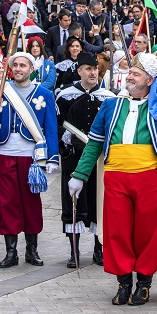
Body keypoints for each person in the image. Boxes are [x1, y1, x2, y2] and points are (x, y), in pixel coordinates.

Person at [67, 52, 157, 305]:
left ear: (149, 80)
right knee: (118, 232)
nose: (130, 77)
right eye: (130, 73)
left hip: (149, 176)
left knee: (147, 233)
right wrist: (79, 175)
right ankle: (123, 283)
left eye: (136, 74)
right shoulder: (110, 105)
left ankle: (144, 284)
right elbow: (94, 144)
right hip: (116, 177)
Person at [0, 52, 59, 268]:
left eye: (22, 65)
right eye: (14, 65)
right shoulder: (0, 93)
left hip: (31, 158)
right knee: (7, 204)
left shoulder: (44, 93)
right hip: (5, 154)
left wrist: (52, 157)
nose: (17, 69)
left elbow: (51, 127)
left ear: (31, 69)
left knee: (31, 204)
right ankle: (11, 252)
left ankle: (31, 250)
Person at [55, 52, 114, 267]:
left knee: (99, 201)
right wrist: (65, 140)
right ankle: (74, 251)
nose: (92, 72)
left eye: (95, 68)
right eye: (88, 69)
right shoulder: (64, 96)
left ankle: (100, 249)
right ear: (79, 71)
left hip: (99, 159)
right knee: (74, 202)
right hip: (74, 157)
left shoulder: (109, 98)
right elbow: (57, 124)